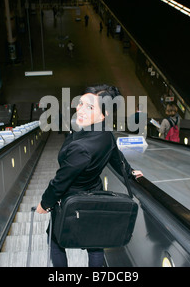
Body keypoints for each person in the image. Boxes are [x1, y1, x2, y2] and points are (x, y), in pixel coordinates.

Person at [36, 84, 143, 267]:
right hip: (94, 196)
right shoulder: (105, 135)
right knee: (95, 243)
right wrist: (130, 172)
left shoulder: (81, 148)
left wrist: (45, 203)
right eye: (81, 103)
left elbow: (61, 181)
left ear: (104, 114)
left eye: (90, 107)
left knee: (55, 241)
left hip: (71, 199)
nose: (80, 110)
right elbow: (117, 158)